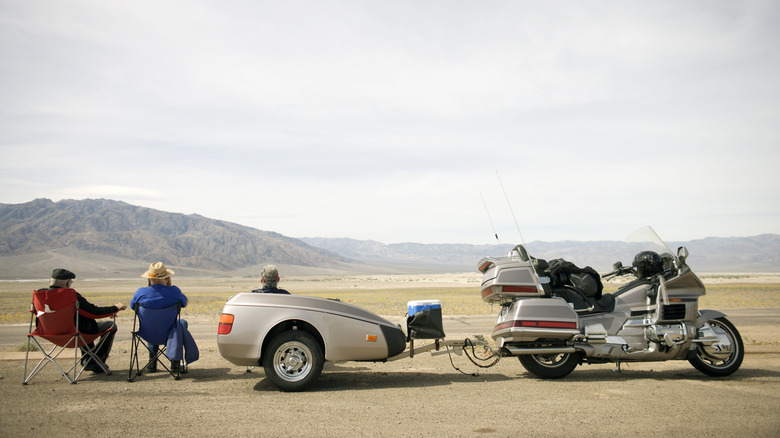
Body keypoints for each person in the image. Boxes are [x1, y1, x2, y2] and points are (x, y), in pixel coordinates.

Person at [39, 268, 127, 373]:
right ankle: (93, 361)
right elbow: (94, 312)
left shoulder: (40, 295)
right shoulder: (70, 295)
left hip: (49, 333)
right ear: (68, 283)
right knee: (110, 326)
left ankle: (91, 360)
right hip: (74, 334)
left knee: (81, 320)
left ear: (50, 281)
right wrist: (115, 308)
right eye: (71, 282)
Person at [130, 262, 189, 372]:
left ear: (148, 280)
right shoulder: (174, 291)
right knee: (182, 323)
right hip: (169, 335)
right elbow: (185, 303)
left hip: (147, 334)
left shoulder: (140, 293)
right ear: (166, 278)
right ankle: (175, 362)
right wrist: (170, 287)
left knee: (152, 323)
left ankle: (152, 361)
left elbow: (133, 307)